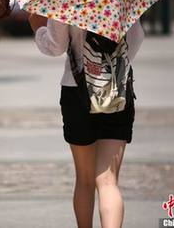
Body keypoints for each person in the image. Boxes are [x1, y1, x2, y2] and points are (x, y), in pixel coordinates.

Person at [29, 15, 144, 228]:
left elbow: (56, 46)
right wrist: (112, 68)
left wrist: (38, 29)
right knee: (109, 181)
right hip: (116, 90)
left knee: (85, 179)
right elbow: (137, 37)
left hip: (77, 90)